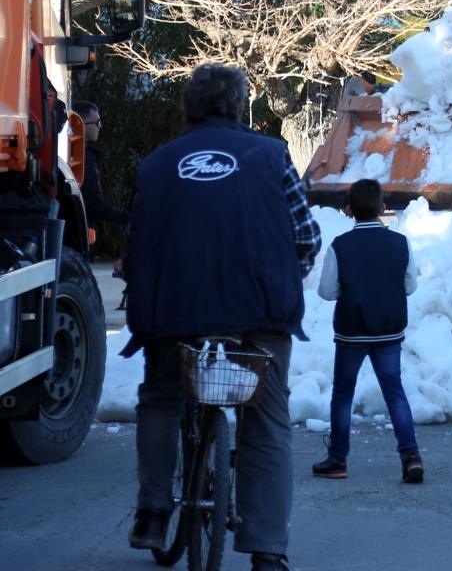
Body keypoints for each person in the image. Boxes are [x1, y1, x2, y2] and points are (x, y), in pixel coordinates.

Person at [123, 64, 322, 571]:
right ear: (239, 106)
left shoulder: (156, 165)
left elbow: (136, 245)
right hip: (258, 316)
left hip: (174, 316)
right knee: (266, 418)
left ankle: (152, 513)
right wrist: (280, 279)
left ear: (188, 107)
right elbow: (306, 238)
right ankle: (268, 549)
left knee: (161, 398)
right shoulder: (271, 155)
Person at [313, 179, 424, 485]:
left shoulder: (340, 246)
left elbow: (327, 292)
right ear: (383, 207)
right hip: (389, 330)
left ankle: (337, 458)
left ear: (349, 210)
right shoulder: (400, 243)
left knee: (343, 394)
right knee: (394, 392)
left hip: (351, 331)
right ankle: (411, 456)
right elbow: (410, 286)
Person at [72, 100, 129, 258]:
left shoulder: (71, 155)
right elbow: (94, 203)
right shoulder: (84, 158)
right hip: (78, 235)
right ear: (81, 123)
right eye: (97, 123)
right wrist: (127, 217)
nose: (100, 126)